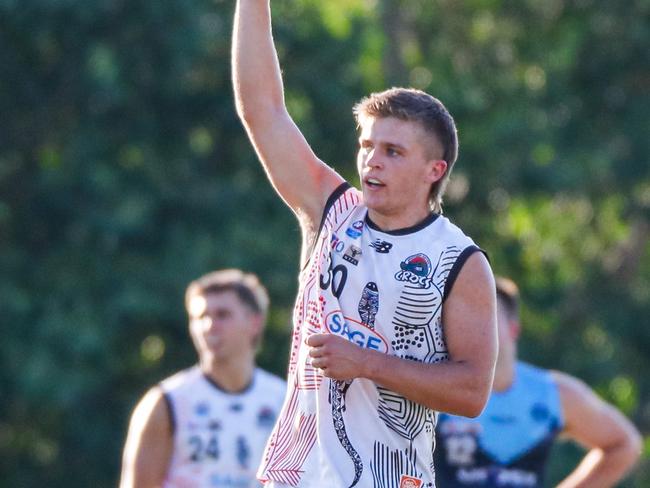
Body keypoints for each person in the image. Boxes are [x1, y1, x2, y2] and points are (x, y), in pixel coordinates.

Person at [232, 1, 498, 486]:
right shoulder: (331, 210)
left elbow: (472, 390)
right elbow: (262, 110)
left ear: (433, 171)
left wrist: (367, 364)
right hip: (293, 476)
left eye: (393, 151)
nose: (372, 160)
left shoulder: (458, 261)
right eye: (367, 145)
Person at [434, 276, 642, 487]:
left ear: (513, 329)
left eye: (487, 317)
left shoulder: (552, 393)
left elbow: (625, 444)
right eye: (465, 319)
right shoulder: (439, 389)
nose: (475, 328)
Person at [119, 269, 287, 488]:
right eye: (200, 317)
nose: (209, 326)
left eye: (222, 315)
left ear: (254, 322)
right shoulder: (167, 402)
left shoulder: (284, 401)